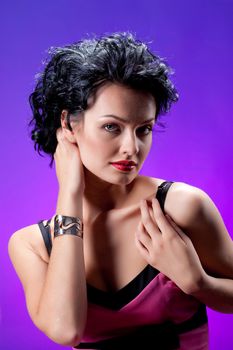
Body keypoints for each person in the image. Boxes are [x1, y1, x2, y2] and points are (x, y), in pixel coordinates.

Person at [8, 31, 233, 350]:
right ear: (69, 124)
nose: (132, 148)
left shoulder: (180, 208)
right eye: (112, 127)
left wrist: (199, 283)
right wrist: (70, 195)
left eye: (144, 129)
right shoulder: (31, 246)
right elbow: (65, 330)